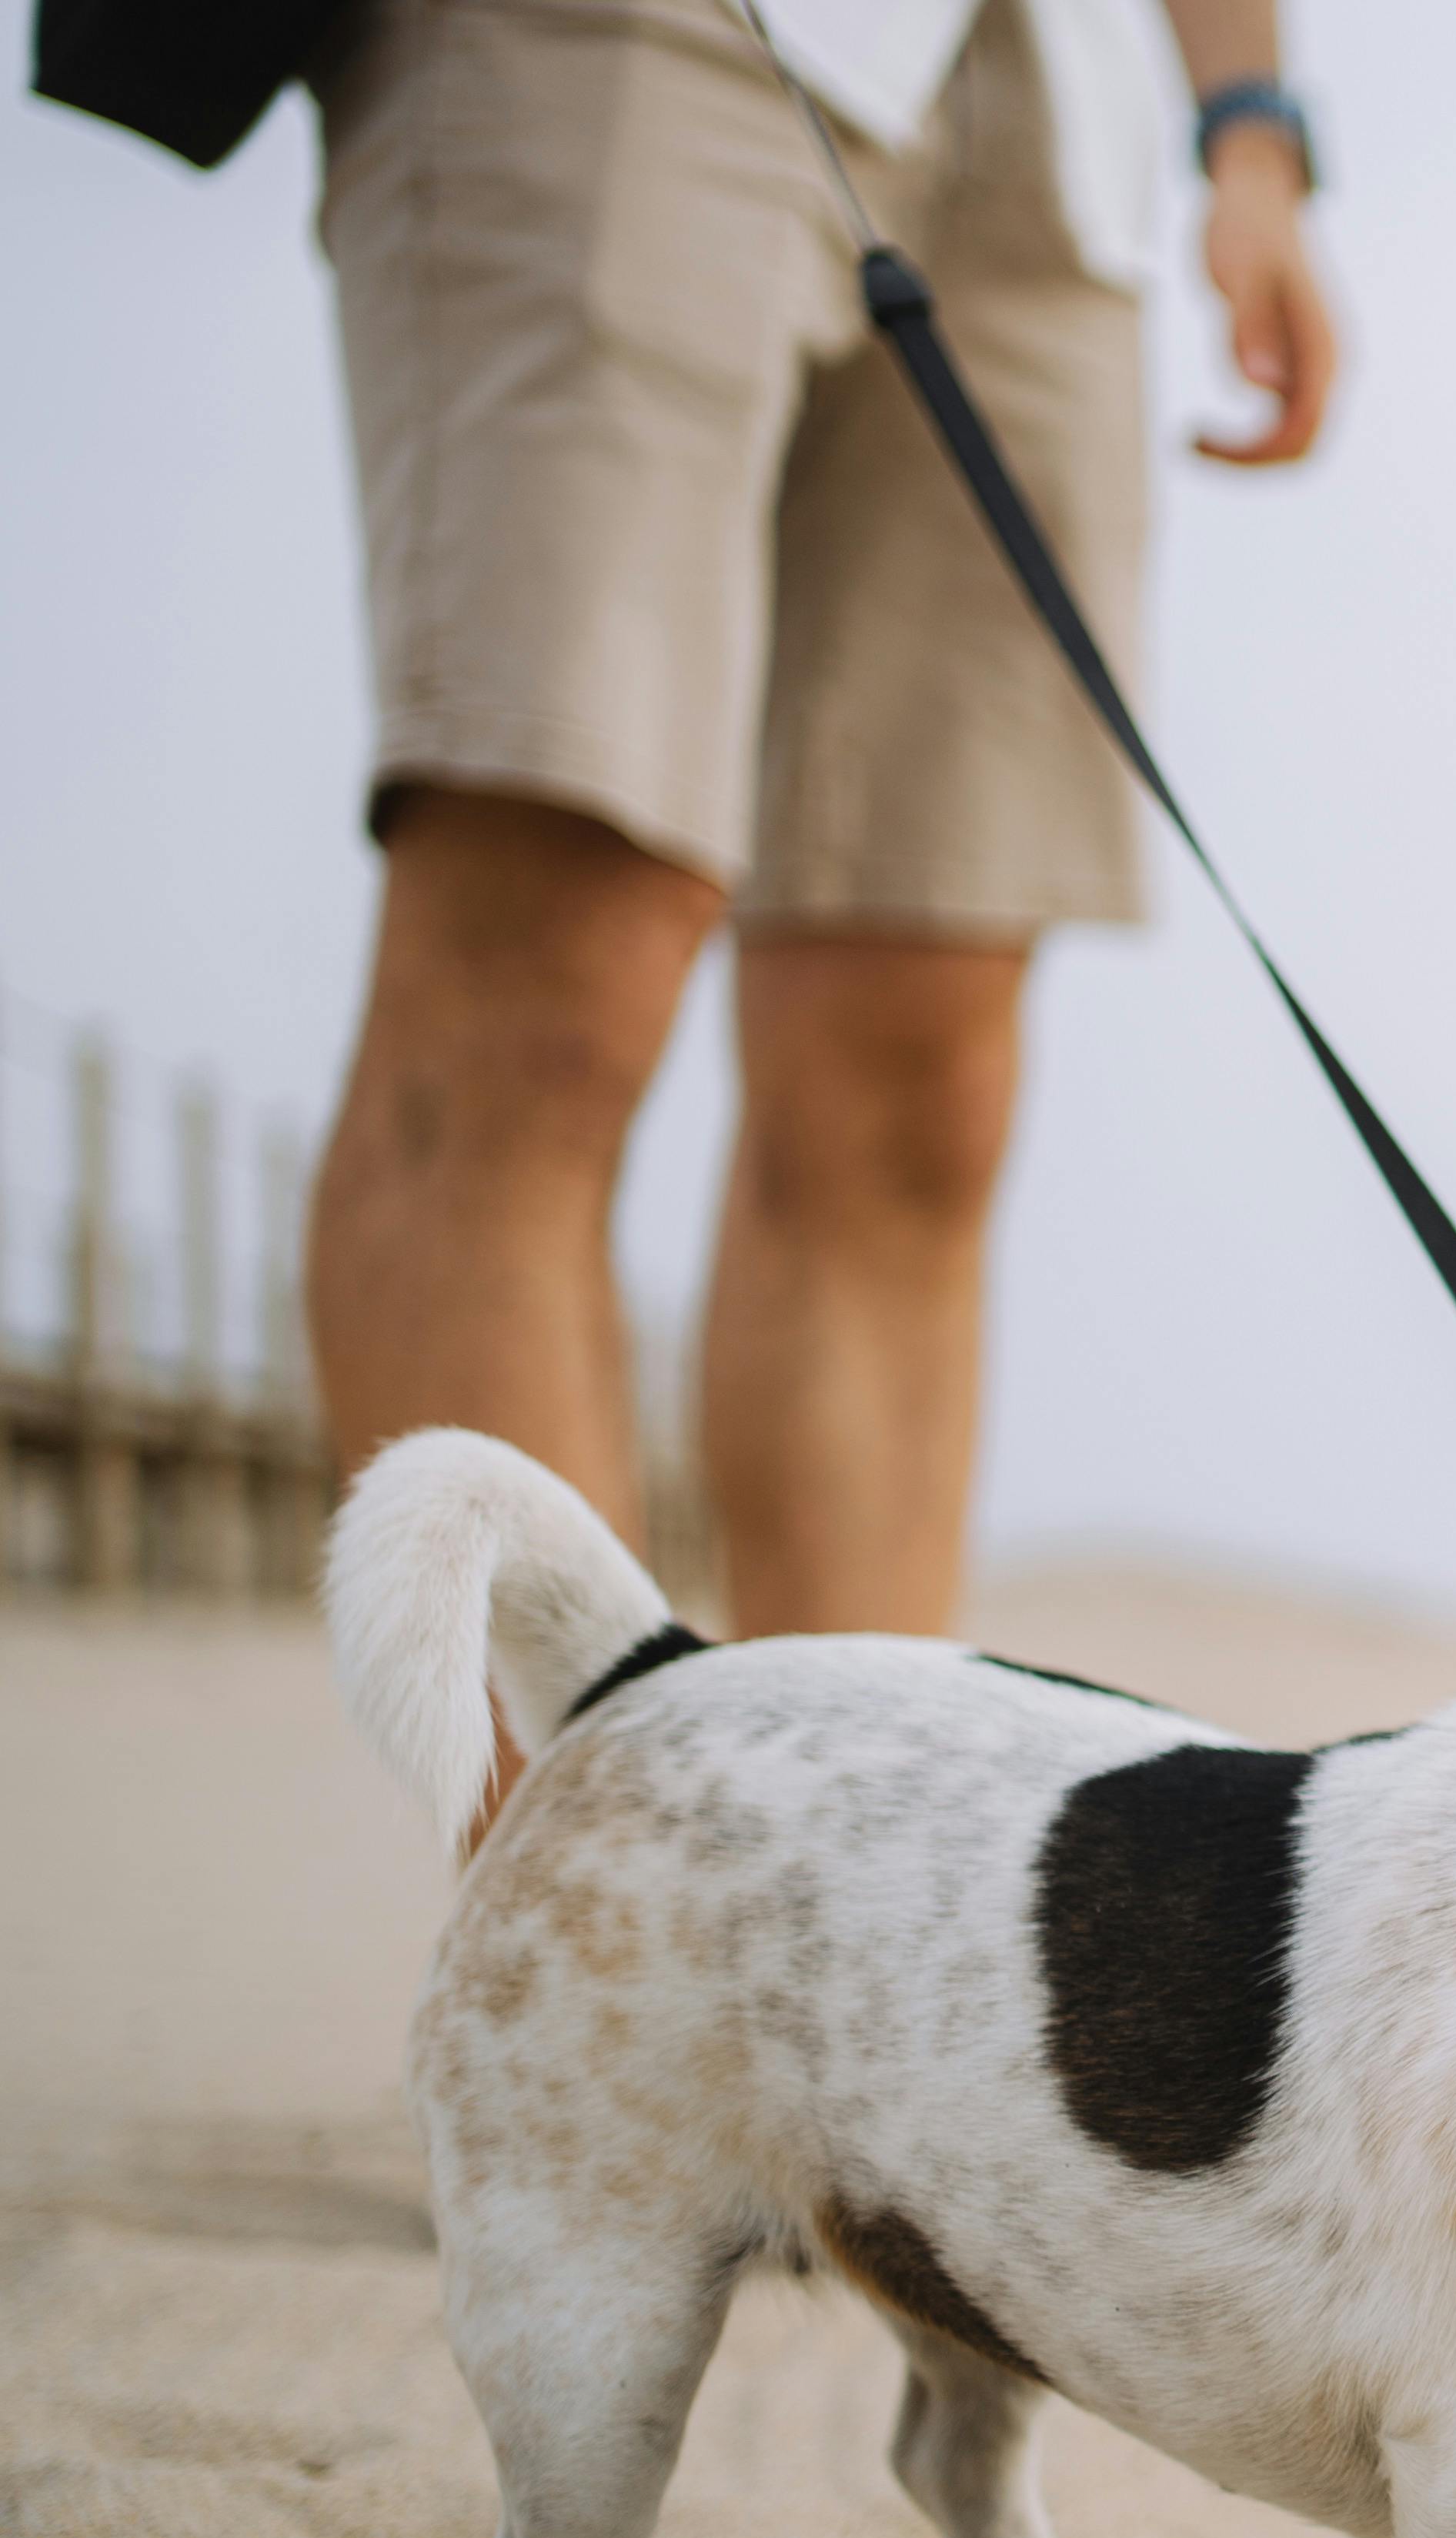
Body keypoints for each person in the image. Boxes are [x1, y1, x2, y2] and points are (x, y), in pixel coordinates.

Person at [300, 0, 1337, 1645]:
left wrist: (1252, 127)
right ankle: (581, 1883)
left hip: (1053, 111)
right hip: (621, 43)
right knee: (546, 986)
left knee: (921, 1076)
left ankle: (844, 1884)